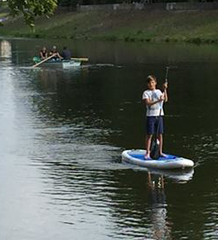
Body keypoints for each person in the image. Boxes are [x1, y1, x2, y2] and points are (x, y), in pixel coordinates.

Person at [142, 75, 168, 159]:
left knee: (160, 134)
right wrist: (158, 100)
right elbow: (148, 103)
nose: (151, 84)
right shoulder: (146, 93)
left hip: (159, 115)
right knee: (150, 134)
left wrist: (165, 89)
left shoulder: (159, 91)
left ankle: (160, 152)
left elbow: (165, 100)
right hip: (151, 116)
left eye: (152, 82)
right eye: (149, 83)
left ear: (155, 83)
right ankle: (147, 153)